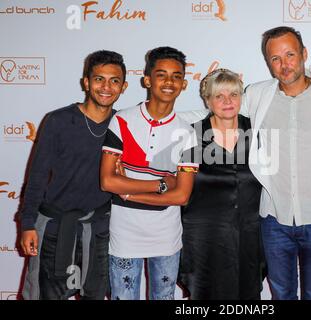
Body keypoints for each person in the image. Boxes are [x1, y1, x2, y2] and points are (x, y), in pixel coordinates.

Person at [179, 26, 311, 300]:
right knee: (281, 294)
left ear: (304, 54)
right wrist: (161, 118)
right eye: (275, 59)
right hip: (273, 218)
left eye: (290, 54)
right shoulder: (258, 94)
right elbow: (222, 109)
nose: (284, 64)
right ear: (268, 63)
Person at [20, 50, 128, 300]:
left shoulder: (124, 125)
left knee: (97, 295)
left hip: (99, 230)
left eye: (114, 81)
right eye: (99, 79)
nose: (106, 87)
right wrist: (27, 224)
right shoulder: (58, 120)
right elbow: (36, 176)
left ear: (123, 86)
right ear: (86, 82)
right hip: (55, 228)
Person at [100, 46, 199, 300]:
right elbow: (108, 181)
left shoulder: (187, 134)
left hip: (166, 237)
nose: (169, 82)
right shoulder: (122, 120)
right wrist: (161, 184)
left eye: (176, 76)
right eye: (161, 74)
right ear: (147, 80)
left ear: (184, 84)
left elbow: (182, 197)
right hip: (124, 235)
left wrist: (129, 192)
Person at [177, 69, 265, 300]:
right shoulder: (192, 135)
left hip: (249, 235)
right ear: (207, 100)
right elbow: (178, 186)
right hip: (204, 238)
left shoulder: (258, 132)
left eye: (233, 94)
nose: (228, 101)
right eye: (219, 96)